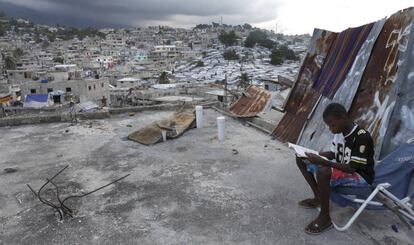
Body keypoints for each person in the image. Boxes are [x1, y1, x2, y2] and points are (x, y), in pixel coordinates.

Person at [296, 103, 375, 234]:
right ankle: (318, 199)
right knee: (301, 159)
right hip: (344, 169)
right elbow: (334, 154)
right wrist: (312, 154)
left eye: (331, 124)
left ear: (343, 118)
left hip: (360, 175)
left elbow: (351, 168)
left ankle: (325, 218)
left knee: (323, 171)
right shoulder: (340, 132)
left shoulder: (362, 137)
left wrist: (321, 161)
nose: (330, 129)